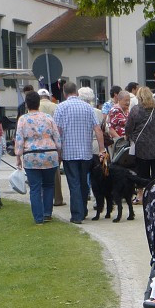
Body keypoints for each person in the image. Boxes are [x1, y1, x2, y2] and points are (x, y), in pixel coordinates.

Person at [54, 81, 104, 223]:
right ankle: (83, 209)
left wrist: (58, 151)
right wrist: (101, 149)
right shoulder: (88, 108)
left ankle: (77, 214)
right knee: (83, 182)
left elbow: (58, 131)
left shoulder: (61, 108)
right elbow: (98, 129)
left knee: (73, 183)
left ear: (64, 93)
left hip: (69, 152)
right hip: (85, 151)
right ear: (76, 92)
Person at [14, 89, 62, 225]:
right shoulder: (48, 118)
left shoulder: (23, 119)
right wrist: (59, 152)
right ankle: (47, 213)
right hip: (49, 154)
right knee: (48, 185)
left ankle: (38, 218)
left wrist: (18, 156)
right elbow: (56, 136)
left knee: (35, 187)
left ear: (27, 104)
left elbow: (19, 139)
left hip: (31, 155)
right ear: (39, 103)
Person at [126, 86, 155, 183]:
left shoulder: (136, 110)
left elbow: (129, 127)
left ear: (139, 97)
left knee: (142, 175)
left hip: (142, 147)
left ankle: (142, 195)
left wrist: (129, 135)